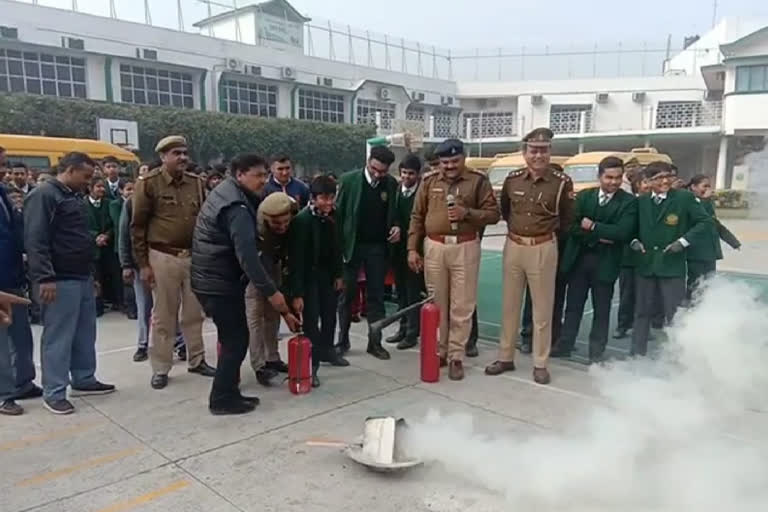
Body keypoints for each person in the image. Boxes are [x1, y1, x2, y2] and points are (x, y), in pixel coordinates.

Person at [191, 153, 300, 415]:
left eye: (265, 175)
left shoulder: (229, 193)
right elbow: (248, 258)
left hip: (213, 278)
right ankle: (221, 399)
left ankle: (229, 391)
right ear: (239, 175)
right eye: (257, 175)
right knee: (236, 340)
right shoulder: (236, 207)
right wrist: (273, 294)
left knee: (234, 338)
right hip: (217, 281)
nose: (263, 181)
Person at [24, 152, 116, 415]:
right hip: (59, 278)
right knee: (58, 336)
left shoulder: (70, 196)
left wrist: (91, 275)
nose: (87, 182)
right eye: (85, 176)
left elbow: (77, 237)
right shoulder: (44, 195)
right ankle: (54, 391)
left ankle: (84, 379)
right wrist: (45, 277)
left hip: (81, 275)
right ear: (70, 170)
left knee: (84, 333)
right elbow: (35, 240)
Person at [486, 128, 574, 385]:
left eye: (544, 150)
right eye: (533, 150)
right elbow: (505, 209)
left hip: (543, 247)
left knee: (542, 309)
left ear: (550, 152)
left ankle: (540, 363)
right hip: (513, 245)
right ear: (524, 153)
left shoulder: (561, 182)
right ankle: (505, 357)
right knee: (510, 305)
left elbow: (567, 218)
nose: (539, 155)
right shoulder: (513, 180)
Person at [409, 139, 500, 380]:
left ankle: (456, 356)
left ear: (463, 158)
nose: (449, 166)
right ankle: (440, 351)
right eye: (444, 162)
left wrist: (467, 213)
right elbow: (417, 216)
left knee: (462, 304)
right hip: (435, 246)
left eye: (454, 161)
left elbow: (493, 215)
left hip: (465, 246)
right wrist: (412, 249)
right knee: (437, 303)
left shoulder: (478, 181)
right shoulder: (429, 181)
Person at [131, 136, 215, 390]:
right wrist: (143, 264)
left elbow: (204, 221)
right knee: (164, 315)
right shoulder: (148, 184)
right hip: (162, 256)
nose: (182, 158)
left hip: (192, 256)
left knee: (194, 313)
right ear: (163, 156)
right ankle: (161, 367)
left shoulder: (196, 183)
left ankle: (197, 359)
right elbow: (137, 227)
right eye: (176, 153)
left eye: (184, 153)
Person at [553, 156, 638, 362]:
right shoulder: (584, 197)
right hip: (579, 261)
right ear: (599, 176)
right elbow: (572, 226)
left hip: (606, 263)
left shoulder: (629, 202)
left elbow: (623, 233)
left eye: (618, 178)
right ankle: (565, 344)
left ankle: (596, 352)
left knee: (602, 309)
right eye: (609, 177)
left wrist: (592, 227)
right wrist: (603, 235)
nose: (614, 182)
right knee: (573, 306)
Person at [629, 162, 713, 357]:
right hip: (646, 265)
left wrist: (683, 242)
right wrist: (633, 241)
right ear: (648, 181)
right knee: (642, 313)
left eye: (668, 176)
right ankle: (636, 355)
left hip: (672, 266)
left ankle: (679, 357)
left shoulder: (684, 198)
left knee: (675, 315)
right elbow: (631, 229)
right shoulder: (641, 202)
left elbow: (705, 222)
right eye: (658, 178)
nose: (665, 181)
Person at [335, 145, 401, 360]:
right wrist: (339, 249)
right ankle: (342, 341)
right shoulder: (349, 180)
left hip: (377, 248)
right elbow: (339, 215)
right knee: (347, 296)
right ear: (368, 161)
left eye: (382, 171)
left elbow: (395, 213)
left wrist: (396, 226)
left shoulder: (390, 184)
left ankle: (375, 343)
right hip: (352, 247)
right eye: (375, 169)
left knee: (376, 297)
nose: (377, 174)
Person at [118, 174, 185, 363]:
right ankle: (143, 344)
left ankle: (179, 343)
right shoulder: (131, 204)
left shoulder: (167, 203)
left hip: (165, 261)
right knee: (145, 306)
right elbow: (124, 235)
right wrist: (126, 264)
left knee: (169, 306)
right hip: (141, 263)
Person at [288, 176, 346, 387]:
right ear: (313, 198)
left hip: (328, 275)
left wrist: (339, 274)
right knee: (312, 321)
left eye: (331, 197)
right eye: (323, 198)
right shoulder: (302, 221)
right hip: (308, 276)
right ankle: (312, 367)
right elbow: (296, 260)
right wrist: (297, 293)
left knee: (330, 315)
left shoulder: (335, 215)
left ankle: (329, 351)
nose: (328, 203)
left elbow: (338, 245)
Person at [245, 192, 299, 386]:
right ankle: (259, 366)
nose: (283, 227)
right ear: (267, 221)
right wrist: (286, 311)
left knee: (272, 318)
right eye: (277, 224)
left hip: (275, 265)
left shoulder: (294, 219)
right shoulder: (257, 231)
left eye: (286, 222)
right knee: (255, 318)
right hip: (255, 273)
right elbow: (264, 272)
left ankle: (273, 358)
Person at [0, 183, 40, 405]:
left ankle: (24, 382)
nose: (4, 170)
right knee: (1, 343)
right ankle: (4, 394)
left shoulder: (5, 194)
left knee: (21, 335)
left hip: (12, 276)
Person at [385, 154, 426, 351]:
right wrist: (395, 226)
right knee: (400, 292)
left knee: (413, 293)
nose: (407, 177)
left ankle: (412, 332)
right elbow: (391, 216)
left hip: (415, 250)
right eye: (404, 173)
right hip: (397, 251)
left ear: (418, 175)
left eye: (411, 174)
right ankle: (401, 328)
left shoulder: (422, 193)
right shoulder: (395, 190)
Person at [685, 174, 741, 300]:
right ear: (693, 187)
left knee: (708, 284)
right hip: (696, 253)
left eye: (709, 186)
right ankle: (688, 311)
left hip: (710, 253)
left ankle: (703, 310)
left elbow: (715, 224)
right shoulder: (689, 202)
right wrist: (705, 200)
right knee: (695, 285)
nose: (708, 189)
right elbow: (701, 220)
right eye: (704, 186)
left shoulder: (708, 203)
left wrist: (733, 242)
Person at [85, 177, 115, 317]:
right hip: (91, 247)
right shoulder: (82, 204)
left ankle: (115, 301)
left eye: (103, 187)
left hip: (107, 244)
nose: (102, 189)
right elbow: (81, 225)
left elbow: (113, 223)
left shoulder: (109, 203)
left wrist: (106, 236)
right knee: (95, 277)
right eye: (98, 187)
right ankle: (97, 305)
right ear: (90, 188)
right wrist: (95, 236)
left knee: (110, 274)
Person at [0, 291, 32, 416]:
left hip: (13, 285)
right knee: (2, 351)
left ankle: (22, 385)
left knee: (20, 340)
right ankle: (4, 396)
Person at [109, 179, 136, 319]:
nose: (131, 192)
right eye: (128, 189)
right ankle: (129, 307)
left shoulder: (138, 202)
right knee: (127, 281)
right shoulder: (117, 204)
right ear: (121, 191)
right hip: (120, 246)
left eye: (133, 189)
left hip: (134, 248)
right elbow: (120, 226)